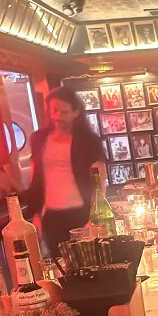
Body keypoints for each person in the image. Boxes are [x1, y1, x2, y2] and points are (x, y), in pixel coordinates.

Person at [25, 87, 104, 256]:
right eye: (54, 110)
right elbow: (36, 177)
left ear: (76, 112)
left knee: (88, 261)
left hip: (81, 213)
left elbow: (100, 178)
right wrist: (36, 214)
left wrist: (94, 217)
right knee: (59, 265)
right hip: (52, 216)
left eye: (64, 112)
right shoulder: (39, 139)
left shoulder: (88, 141)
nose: (57, 116)